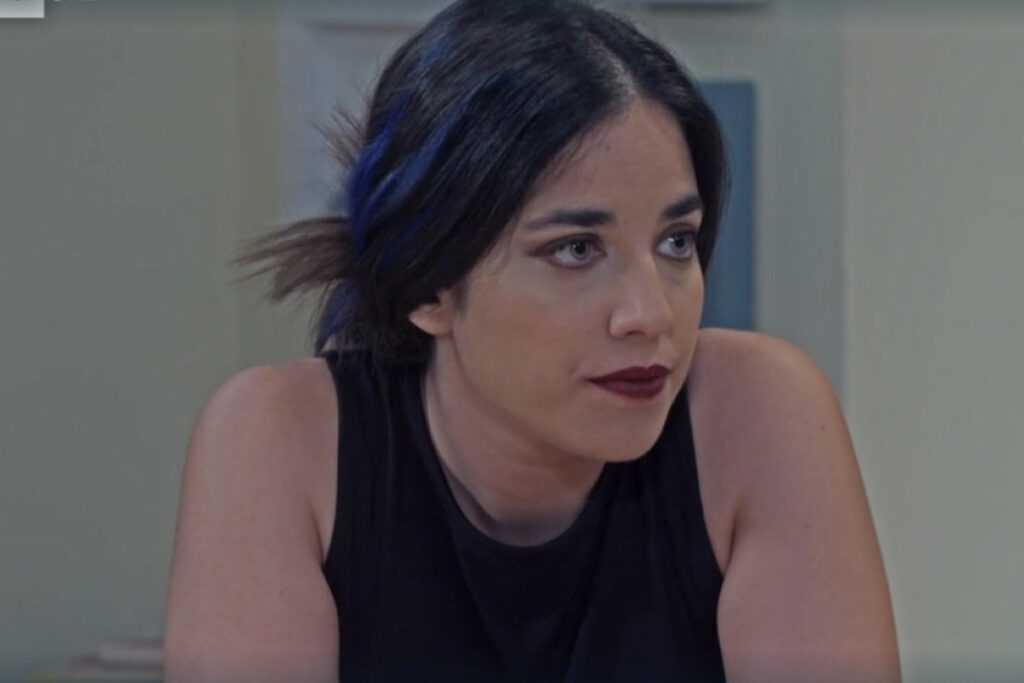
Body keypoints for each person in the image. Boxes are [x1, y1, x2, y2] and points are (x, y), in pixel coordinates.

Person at [163, 0, 901, 681]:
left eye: (676, 241)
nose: (650, 314)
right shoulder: (280, 436)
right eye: (576, 250)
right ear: (429, 286)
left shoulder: (758, 412)